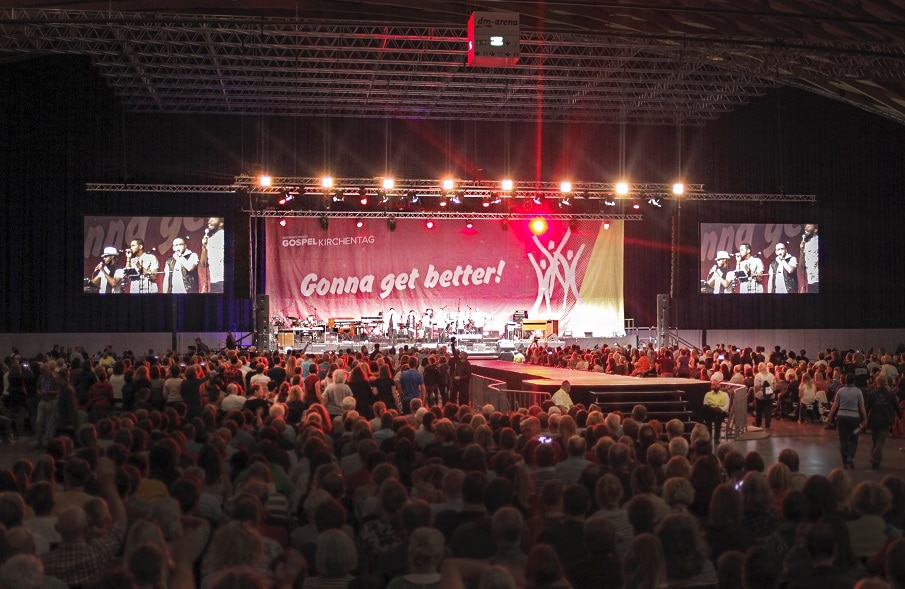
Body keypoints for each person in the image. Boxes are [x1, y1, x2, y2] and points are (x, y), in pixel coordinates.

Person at [825, 373, 867, 469]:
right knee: (853, 438)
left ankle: (844, 461)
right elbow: (861, 406)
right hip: (854, 416)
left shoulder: (841, 391)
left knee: (843, 439)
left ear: (844, 381)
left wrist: (829, 416)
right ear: (854, 381)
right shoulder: (858, 391)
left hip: (842, 416)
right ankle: (851, 455)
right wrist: (865, 418)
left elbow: (835, 405)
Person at [200, 217, 225, 293]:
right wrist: (204, 247)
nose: (209, 221)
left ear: (221, 223)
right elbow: (203, 264)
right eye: (209, 219)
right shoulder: (210, 240)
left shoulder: (224, 236)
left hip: (223, 280)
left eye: (213, 219)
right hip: (214, 281)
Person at [800, 223, 819, 293]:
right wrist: (801, 251)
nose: (805, 227)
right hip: (811, 282)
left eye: (808, 226)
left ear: (815, 229)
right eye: (805, 226)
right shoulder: (806, 244)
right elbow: (802, 267)